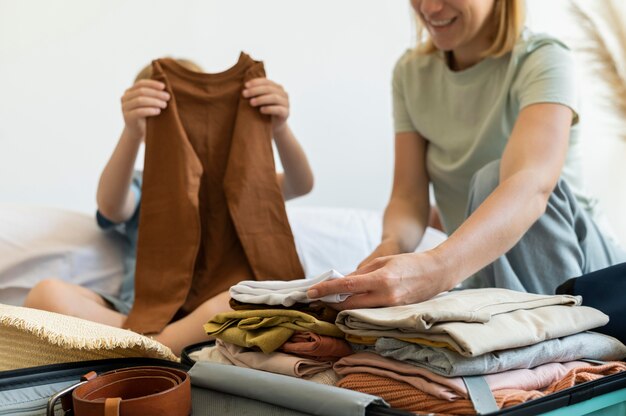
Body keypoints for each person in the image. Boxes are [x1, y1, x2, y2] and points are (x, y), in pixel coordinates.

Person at [307, 0, 626, 309]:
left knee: (493, 178)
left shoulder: (543, 58)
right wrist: (385, 254)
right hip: (486, 273)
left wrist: (436, 268)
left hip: (593, 277)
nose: (430, 8)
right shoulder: (411, 73)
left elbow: (532, 185)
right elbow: (407, 197)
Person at [24, 58, 314, 355]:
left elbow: (300, 184)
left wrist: (279, 128)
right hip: (137, 314)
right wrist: (132, 132)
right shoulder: (142, 184)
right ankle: (153, 347)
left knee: (237, 299)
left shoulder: (240, 182)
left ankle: (145, 350)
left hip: (205, 314)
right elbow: (111, 206)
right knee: (45, 294)